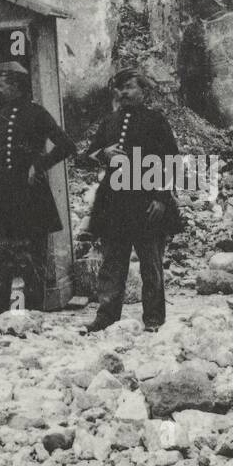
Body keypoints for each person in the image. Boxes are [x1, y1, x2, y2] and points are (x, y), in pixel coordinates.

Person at [80, 68, 184, 333]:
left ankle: (153, 319)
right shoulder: (109, 122)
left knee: (151, 264)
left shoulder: (155, 120)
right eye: (120, 88)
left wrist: (161, 198)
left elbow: (172, 160)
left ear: (143, 91)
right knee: (112, 263)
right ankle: (106, 316)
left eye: (129, 87)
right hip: (115, 207)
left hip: (147, 205)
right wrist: (104, 152)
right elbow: (85, 157)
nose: (123, 92)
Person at [0, 61, 76, 329]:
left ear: (16, 85)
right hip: (3, 199)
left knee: (32, 259)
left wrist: (40, 164)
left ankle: (30, 312)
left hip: (32, 198)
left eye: (1, 85)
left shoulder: (37, 113)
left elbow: (67, 145)